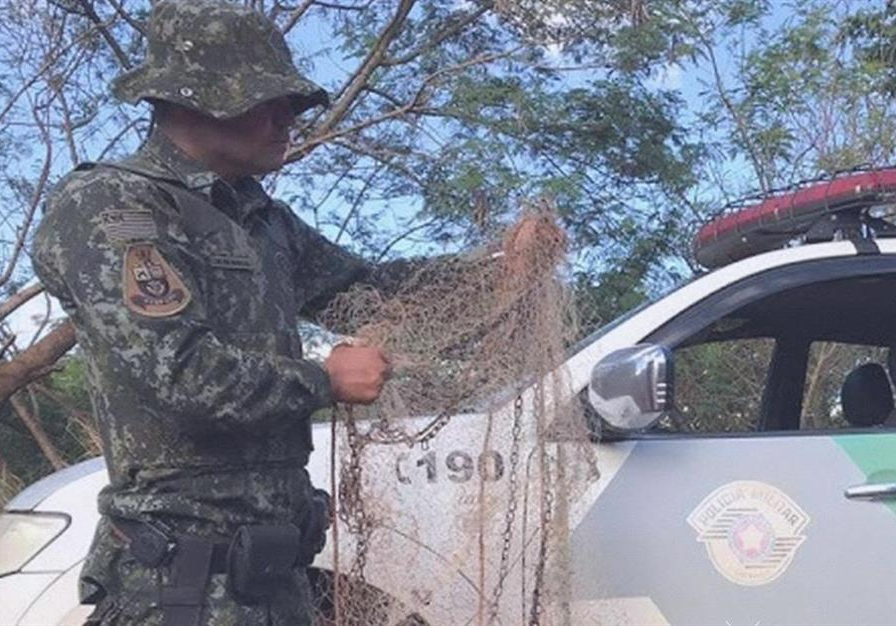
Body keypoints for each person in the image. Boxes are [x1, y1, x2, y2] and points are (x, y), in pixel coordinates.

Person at [30, 1, 557, 624]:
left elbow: (371, 287)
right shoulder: (112, 207)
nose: (288, 120)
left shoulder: (261, 219)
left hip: (276, 582)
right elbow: (183, 376)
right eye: (268, 101)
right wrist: (325, 380)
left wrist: (500, 268)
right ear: (195, 99)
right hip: (181, 589)